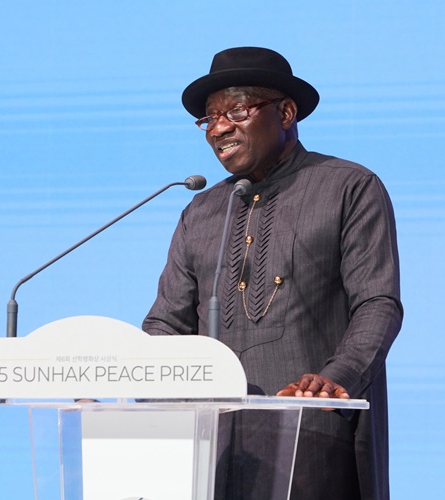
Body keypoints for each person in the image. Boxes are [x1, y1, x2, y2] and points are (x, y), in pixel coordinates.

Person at [142, 47, 403, 500]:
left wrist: (337, 377)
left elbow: (377, 303)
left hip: (312, 435)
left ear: (285, 113)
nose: (218, 129)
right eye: (209, 119)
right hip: (210, 446)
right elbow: (166, 323)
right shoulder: (201, 211)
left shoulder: (348, 186)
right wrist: (128, 379)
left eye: (236, 111)